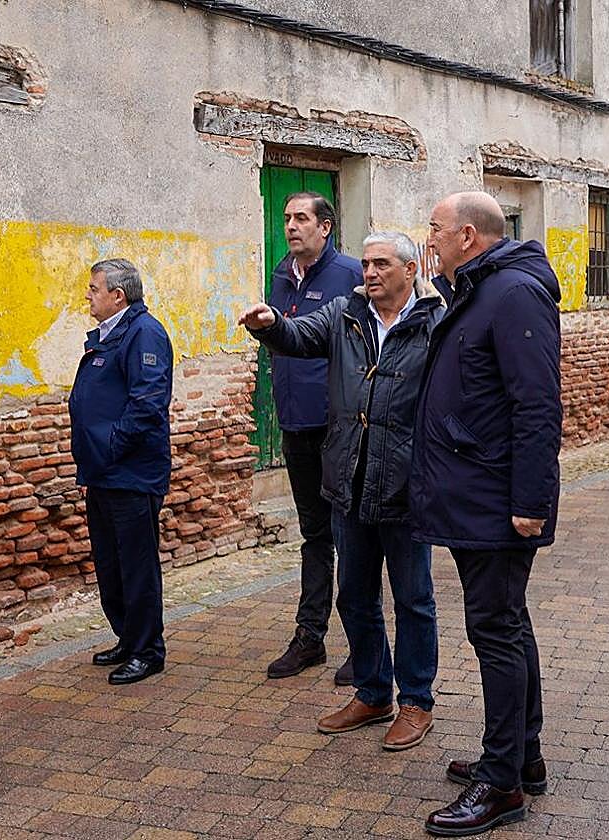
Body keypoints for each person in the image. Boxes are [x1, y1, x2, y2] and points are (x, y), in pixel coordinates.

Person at [240, 231, 441, 751]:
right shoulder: (344, 314)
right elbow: (299, 336)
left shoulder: (434, 321)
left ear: (410, 269)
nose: (369, 273)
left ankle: (416, 702)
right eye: (367, 264)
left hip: (404, 484)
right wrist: (272, 325)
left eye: (381, 264)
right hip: (347, 480)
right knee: (355, 593)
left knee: (413, 599)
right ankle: (373, 691)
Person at [413, 192, 562, 836]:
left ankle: (500, 785)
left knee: (495, 633)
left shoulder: (512, 294)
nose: (430, 239)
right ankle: (520, 758)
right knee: (507, 625)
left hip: (497, 501)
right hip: (475, 493)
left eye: (437, 229)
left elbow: (537, 404)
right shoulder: (478, 288)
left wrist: (530, 503)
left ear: (468, 236)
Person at [262, 193, 360, 684]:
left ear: (326, 227)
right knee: (314, 536)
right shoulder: (282, 274)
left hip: (339, 428)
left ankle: (363, 645)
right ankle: (310, 637)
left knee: (352, 536)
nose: (291, 226)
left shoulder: (351, 274)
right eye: (287, 218)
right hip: (295, 423)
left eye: (301, 218)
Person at [70, 258, 174, 686]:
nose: (88, 296)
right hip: (102, 472)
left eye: (94, 289)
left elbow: (148, 404)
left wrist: (111, 446)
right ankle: (128, 638)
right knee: (110, 564)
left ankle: (148, 649)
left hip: (130, 473)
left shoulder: (144, 333)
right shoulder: (110, 335)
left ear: (118, 295)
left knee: (136, 565)